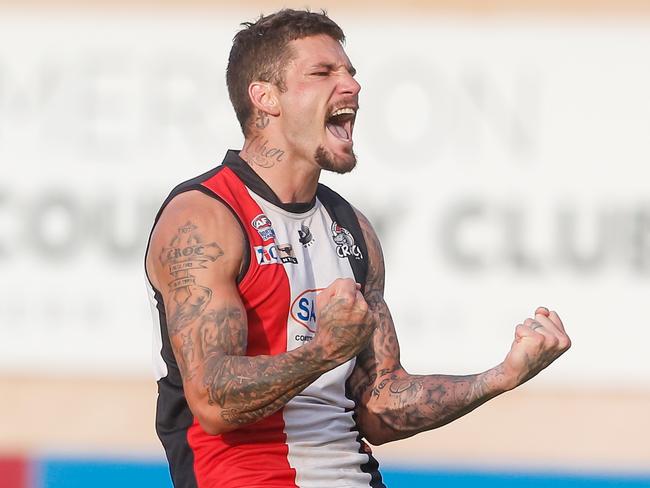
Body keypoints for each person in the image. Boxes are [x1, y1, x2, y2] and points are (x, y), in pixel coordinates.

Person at [144, 9, 571, 488]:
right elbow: (213, 401)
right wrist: (325, 350)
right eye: (324, 73)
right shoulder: (204, 217)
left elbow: (377, 401)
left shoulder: (352, 227)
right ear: (265, 98)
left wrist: (498, 377)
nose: (352, 85)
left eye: (350, 72)